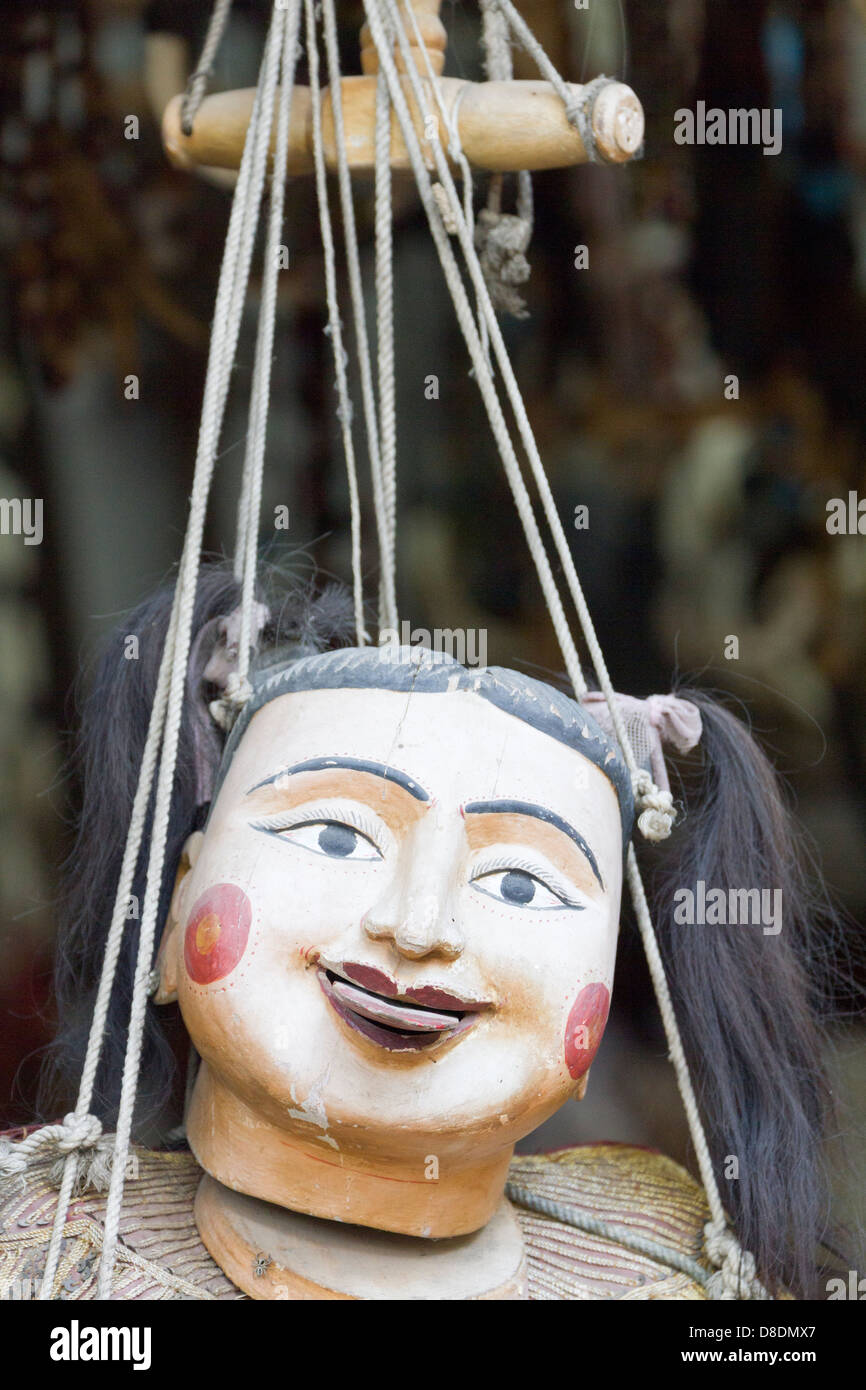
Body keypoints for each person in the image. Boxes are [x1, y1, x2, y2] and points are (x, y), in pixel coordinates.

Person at [0, 562, 842, 1299]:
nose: (416, 924)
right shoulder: (43, 1256)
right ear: (180, 902)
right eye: (336, 836)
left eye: (518, 882)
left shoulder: (669, 1265)